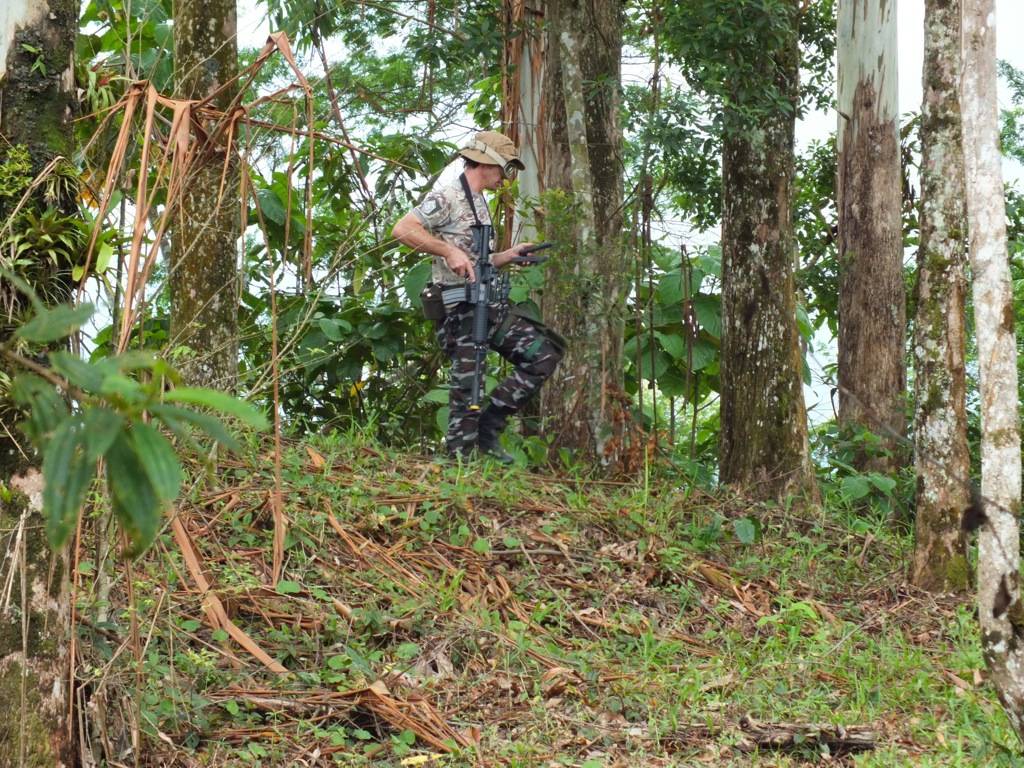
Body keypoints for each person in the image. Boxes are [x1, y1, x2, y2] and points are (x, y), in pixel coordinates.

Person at [392, 130, 564, 462]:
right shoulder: (447, 197)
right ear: (486, 163)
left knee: (544, 353)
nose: (505, 177)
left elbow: (476, 262)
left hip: (487, 304)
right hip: (459, 309)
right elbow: (403, 228)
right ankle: (460, 461)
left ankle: (490, 425)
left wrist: (508, 255)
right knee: (467, 387)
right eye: (504, 168)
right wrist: (446, 251)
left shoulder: (480, 204)